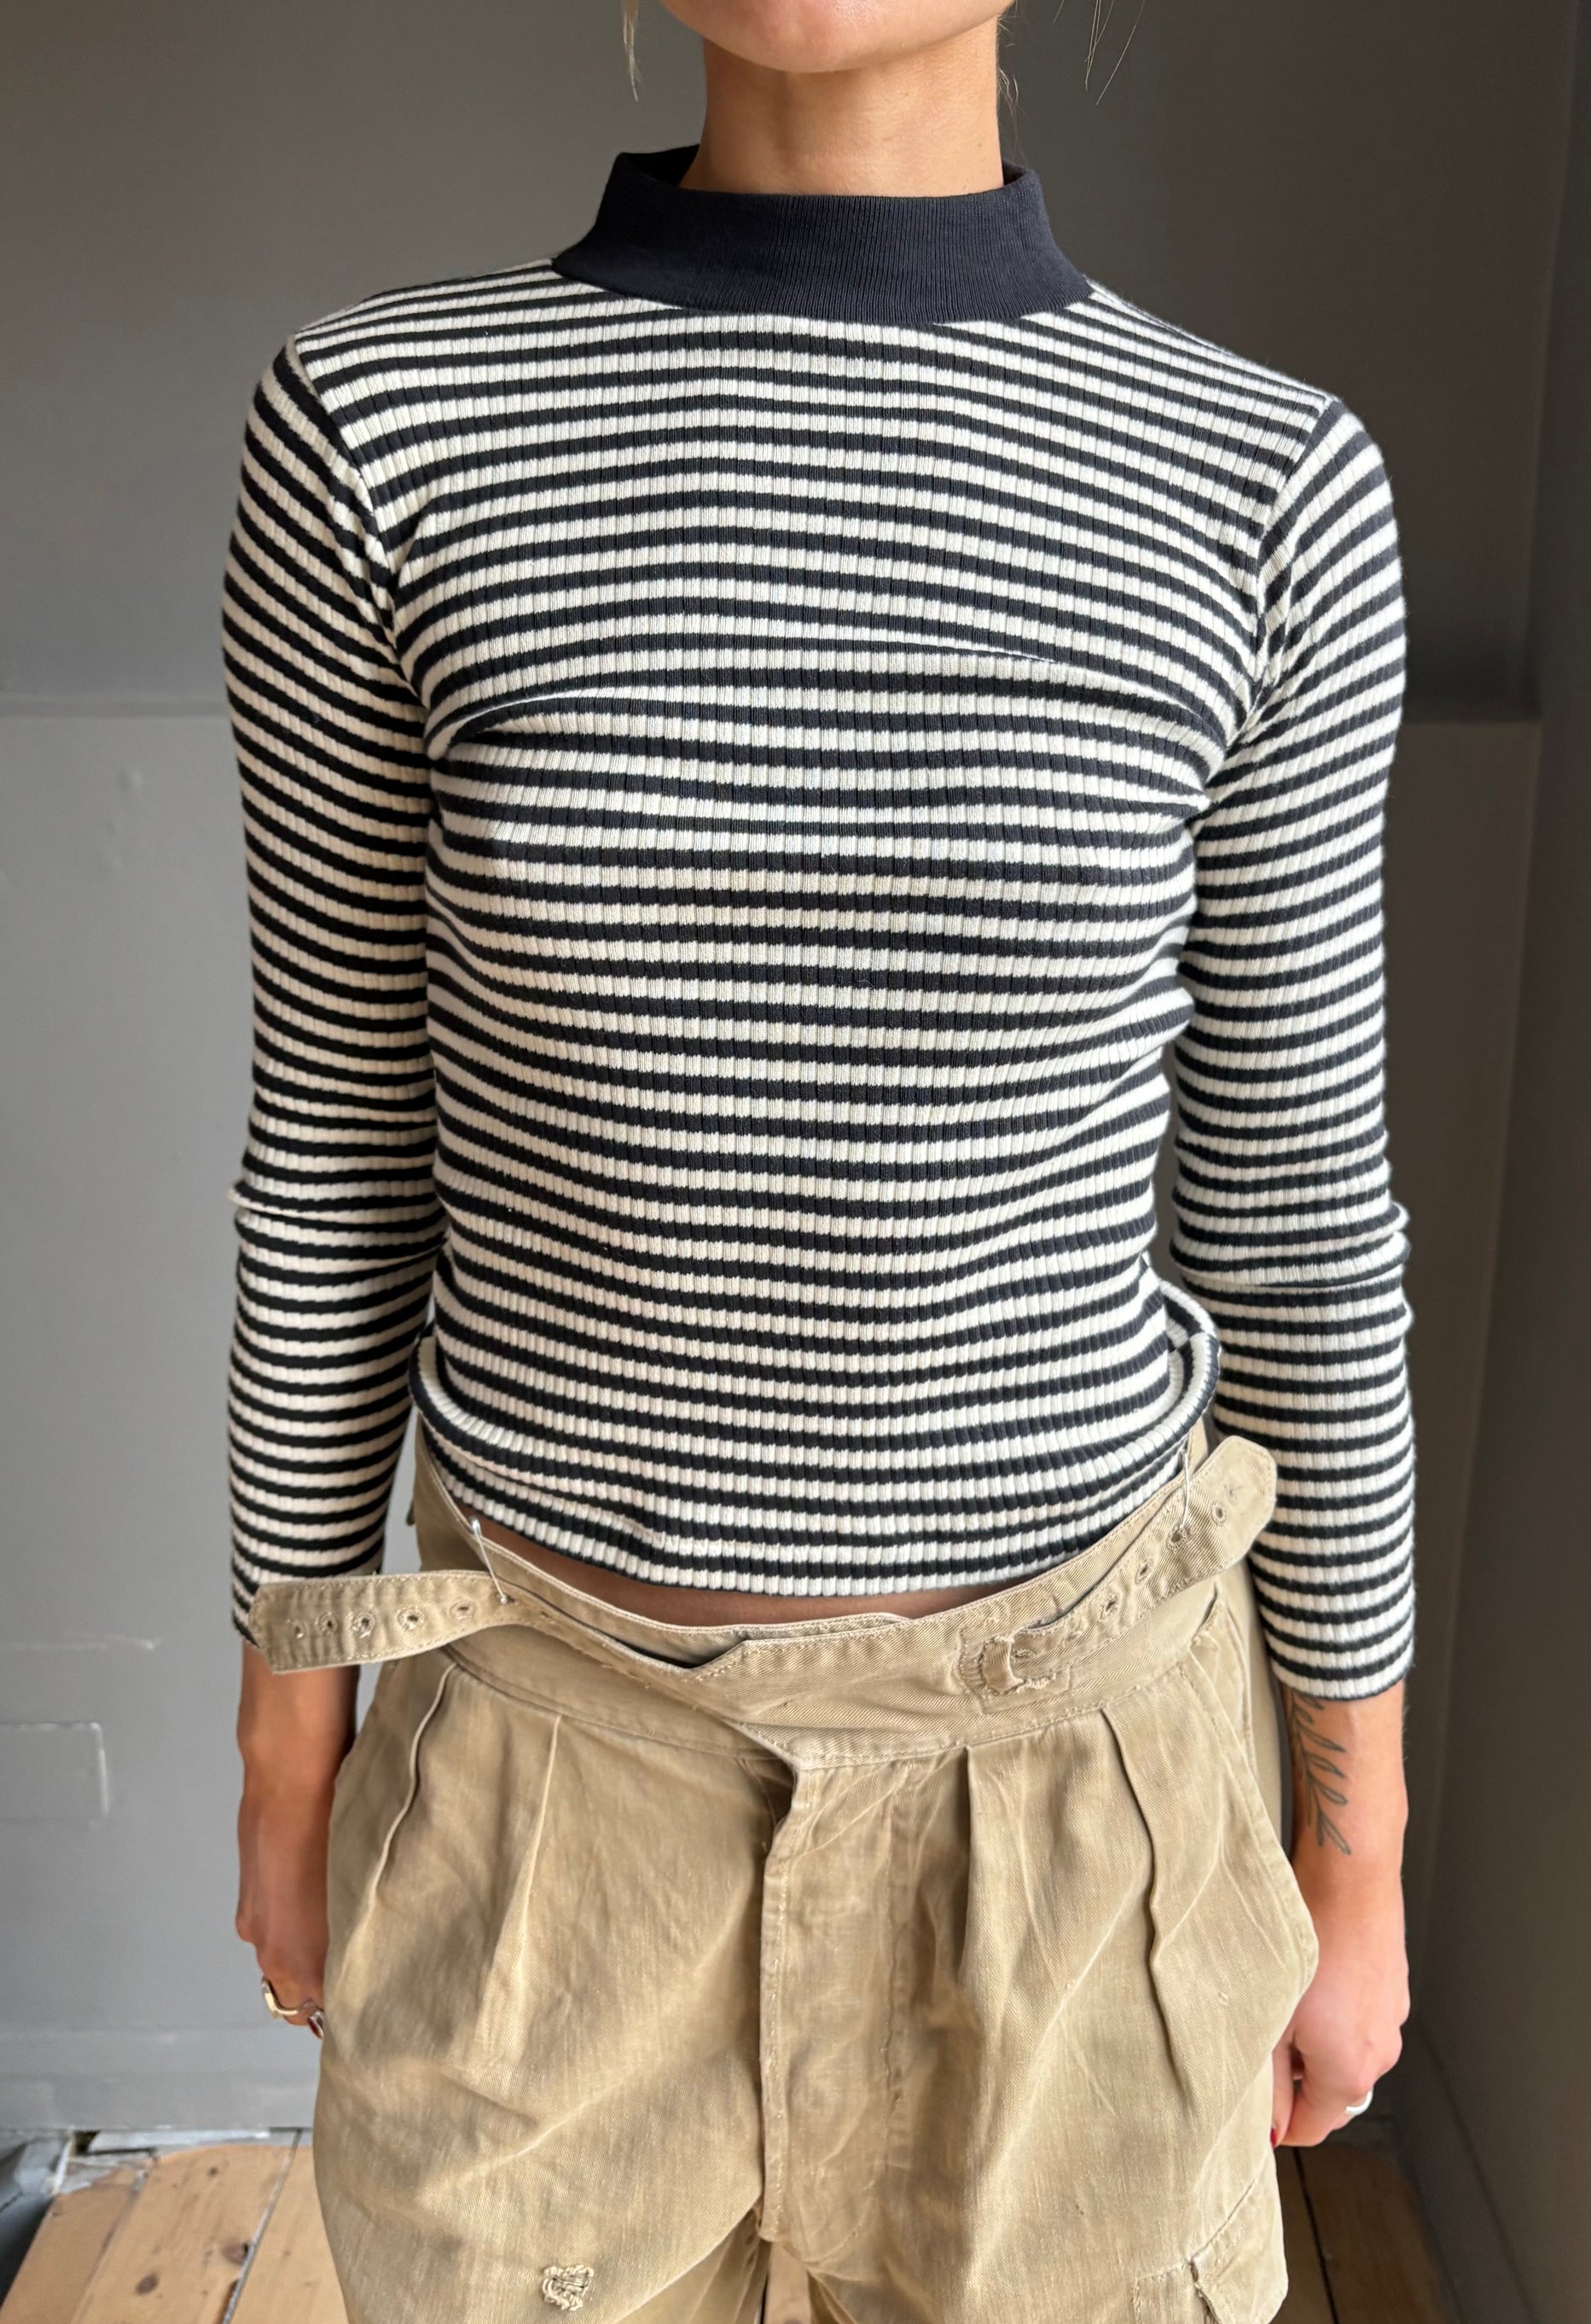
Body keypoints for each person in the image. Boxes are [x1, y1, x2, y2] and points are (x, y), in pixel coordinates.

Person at [229, 1, 1414, 2316]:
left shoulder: (1257, 487)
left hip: (1075, 1827)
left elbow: (1294, 1228)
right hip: (546, 1807)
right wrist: (291, 1764)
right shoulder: (382, 434)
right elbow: (340, 1148)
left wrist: (1349, 1858)